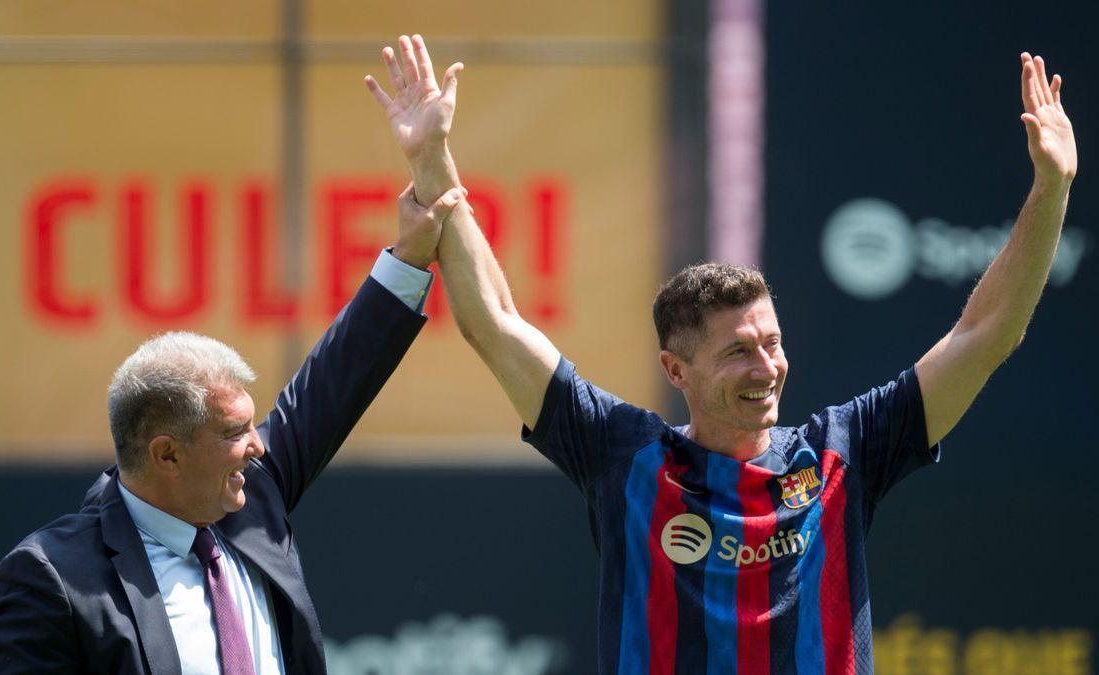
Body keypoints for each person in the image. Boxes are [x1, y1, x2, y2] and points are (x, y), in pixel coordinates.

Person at [365, 36, 1076, 672]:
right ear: (676, 370)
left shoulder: (843, 450)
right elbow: (494, 321)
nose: (766, 368)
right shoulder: (624, 455)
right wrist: (433, 157)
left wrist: (1052, 188)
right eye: (738, 351)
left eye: (772, 343)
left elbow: (986, 336)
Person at [0, 186, 463, 674]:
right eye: (235, 432)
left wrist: (410, 254)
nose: (258, 445)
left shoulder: (251, 495)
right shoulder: (52, 577)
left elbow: (335, 381)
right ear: (167, 455)